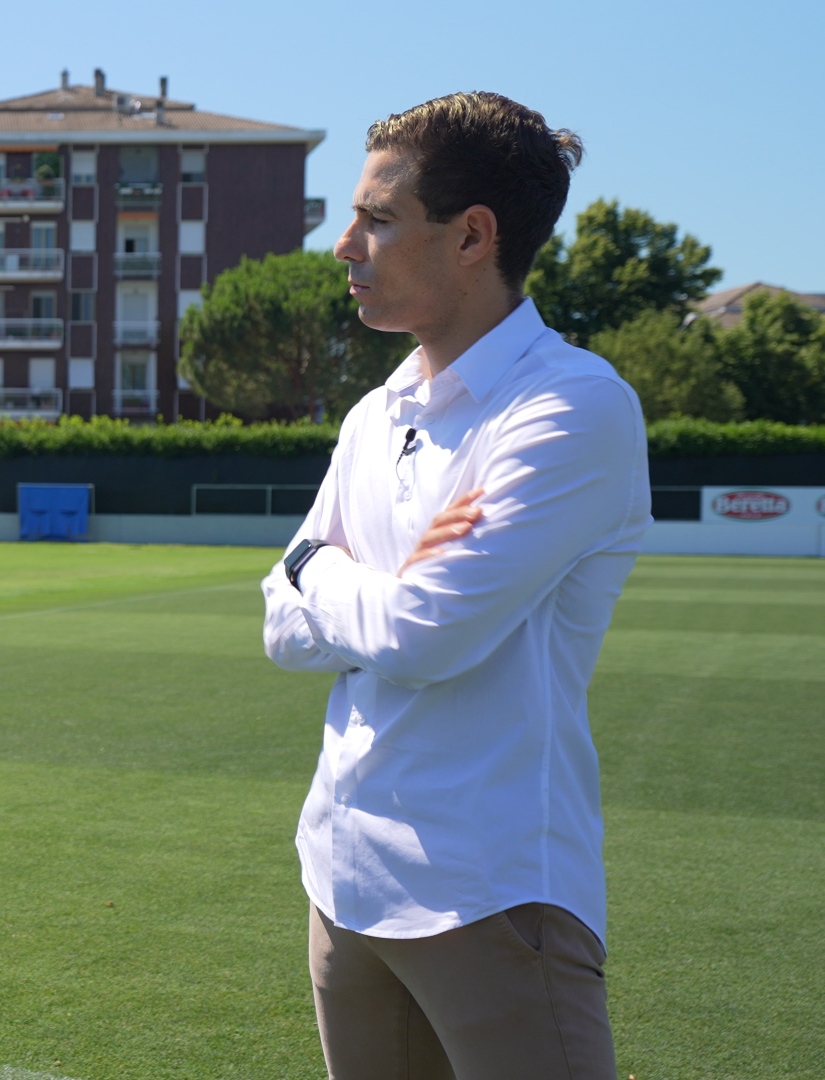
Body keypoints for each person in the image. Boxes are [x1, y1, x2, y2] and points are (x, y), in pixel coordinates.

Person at [262, 92, 649, 1079]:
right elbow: (279, 622)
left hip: (489, 894)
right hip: (341, 879)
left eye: (379, 218)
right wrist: (361, 585)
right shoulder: (372, 415)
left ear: (474, 235)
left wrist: (322, 566)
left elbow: (425, 635)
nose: (344, 244)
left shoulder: (571, 407)